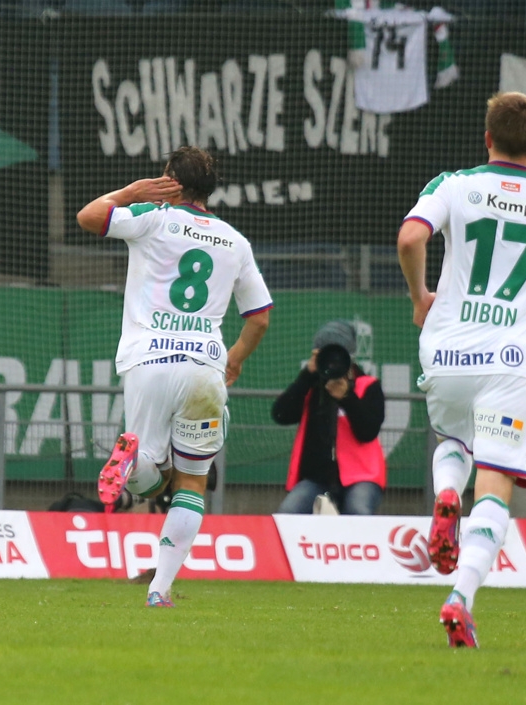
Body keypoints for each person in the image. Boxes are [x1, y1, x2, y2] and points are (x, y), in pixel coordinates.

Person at [397, 91, 526, 648]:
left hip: (447, 351)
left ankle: (447, 493)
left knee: (452, 436)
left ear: (486, 137)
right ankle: (459, 600)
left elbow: (410, 237)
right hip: (512, 364)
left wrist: (421, 295)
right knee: (494, 488)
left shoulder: (454, 183)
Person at [76, 145, 271, 607]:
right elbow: (260, 316)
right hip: (205, 366)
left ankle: (133, 459)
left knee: (150, 477)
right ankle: (159, 590)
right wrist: (236, 359)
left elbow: (88, 217)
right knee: (190, 483)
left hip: (148, 360)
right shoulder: (234, 241)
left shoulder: (151, 215)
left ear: (168, 181)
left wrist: (130, 192)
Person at [272, 320, 386, 515]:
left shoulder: (367, 385)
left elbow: (368, 431)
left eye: (338, 357)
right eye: (326, 355)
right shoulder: (311, 387)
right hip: (316, 478)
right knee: (288, 513)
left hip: (361, 475)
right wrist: (307, 376)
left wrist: (347, 398)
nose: (333, 363)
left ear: (351, 357)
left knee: (358, 510)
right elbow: (281, 414)